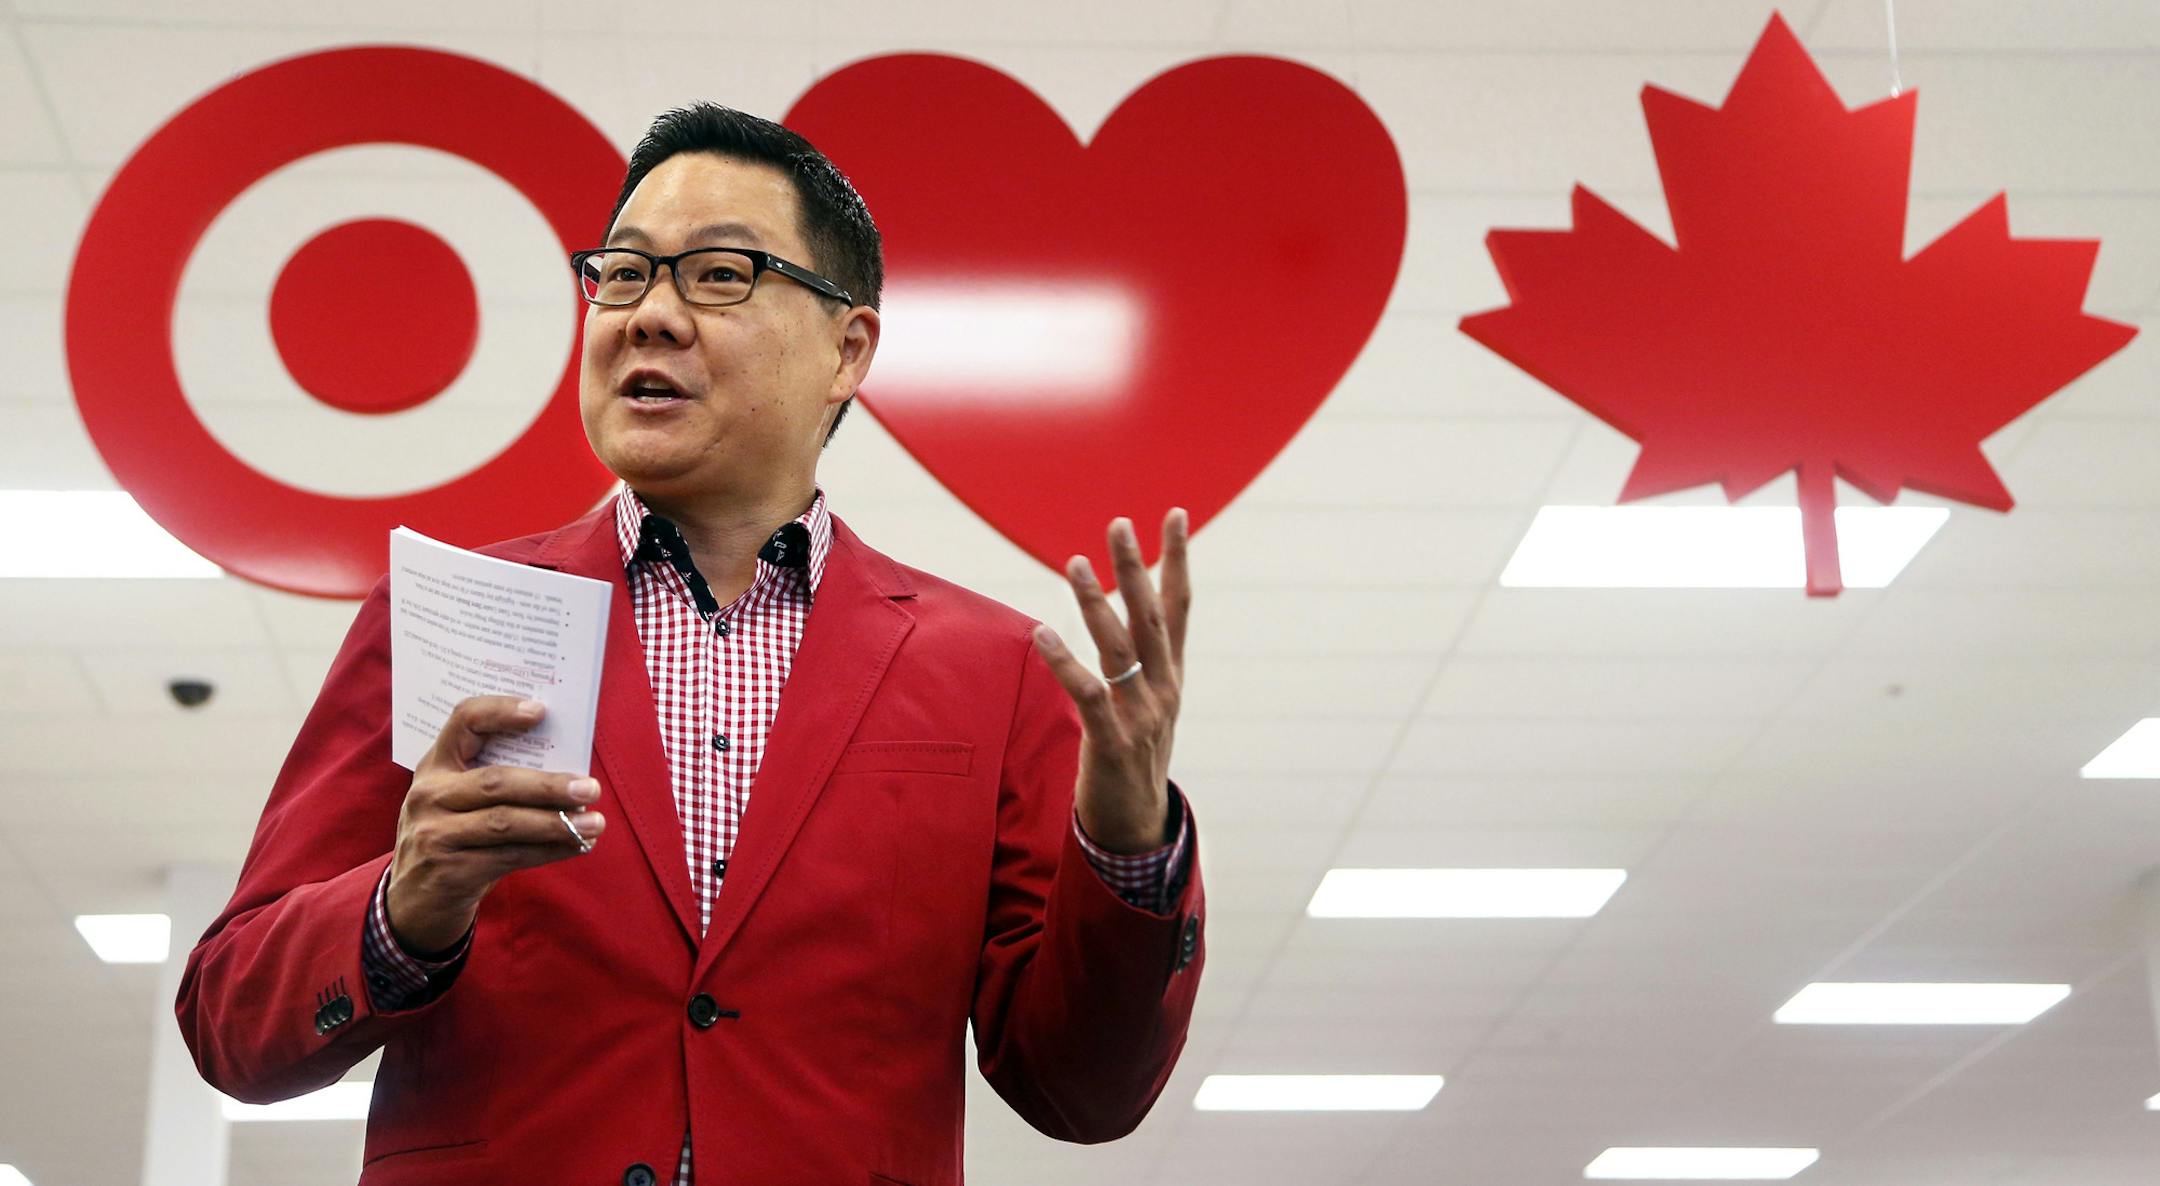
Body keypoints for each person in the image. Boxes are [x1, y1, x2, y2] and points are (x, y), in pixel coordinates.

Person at [176, 104, 1204, 1186]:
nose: (649, 316)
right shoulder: (450, 612)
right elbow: (232, 1019)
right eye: (622, 274)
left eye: (719, 275)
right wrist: (404, 904)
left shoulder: (997, 671)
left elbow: (1083, 1090)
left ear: (847, 349)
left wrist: (1129, 849)